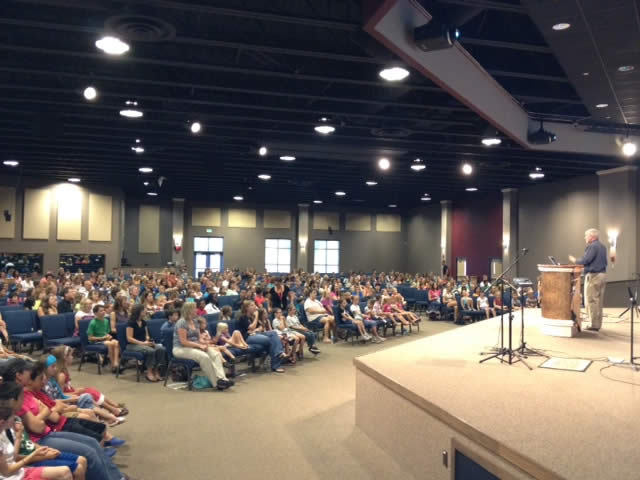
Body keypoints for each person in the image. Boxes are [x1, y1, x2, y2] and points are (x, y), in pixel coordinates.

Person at [0, 378, 127, 480]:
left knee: (92, 443)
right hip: (39, 442)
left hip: (44, 437)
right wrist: (38, 454)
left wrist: (39, 448)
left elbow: (49, 415)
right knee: (87, 453)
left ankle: (116, 476)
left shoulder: (16, 414)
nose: (44, 380)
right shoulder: (12, 417)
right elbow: (40, 425)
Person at [0, 405, 80, 480]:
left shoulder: (3, 433)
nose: (14, 419)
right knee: (68, 471)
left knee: (65, 471)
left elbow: (13, 457)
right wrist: (35, 455)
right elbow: (7, 472)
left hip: (19, 471)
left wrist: (18, 437)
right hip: (13, 476)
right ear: (3, 422)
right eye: (12, 417)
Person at [51, 347, 128, 419]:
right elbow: (60, 395)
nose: (72, 357)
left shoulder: (64, 371)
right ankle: (112, 410)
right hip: (69, 397)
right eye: (71, 355)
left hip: (71, 392)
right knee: (90, 394)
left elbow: (66, 388)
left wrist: (76, 390)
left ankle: (113, 407)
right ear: (65, 358)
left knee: (90, 390)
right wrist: (76, 392)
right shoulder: (61, 375)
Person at [172, 302, 233, 390]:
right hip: (180, 349)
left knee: (215, 354)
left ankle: (223, 379)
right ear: (189, 310)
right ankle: (216, 383)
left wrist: (205, 344)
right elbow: (183, 341)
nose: (196, 310)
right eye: (194, 308)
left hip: (194, 346)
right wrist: (199, 346)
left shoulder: (195, 322)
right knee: (204, 357)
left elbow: (198, 338)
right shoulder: (181, 323)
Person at [569, 228, 608, 331]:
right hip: (602, 275)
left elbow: (586, 260)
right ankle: (597, 324)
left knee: (591, 301)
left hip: (594, 276)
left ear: (592, 236)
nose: (585, 237)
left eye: (586, 235)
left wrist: (575, 260)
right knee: (598, 301)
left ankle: (593, 325)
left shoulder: (592, 246)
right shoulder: (602, 247)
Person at [236, 301, 286, 373]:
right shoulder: (242, 317)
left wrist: (254, 330)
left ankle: (278, 353)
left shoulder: (251, 317)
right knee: (269, 340)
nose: (255, 307)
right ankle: (276, 363)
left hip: (254, 334)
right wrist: (256, 317)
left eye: (254, 305)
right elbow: (251, 327)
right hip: (246, 338)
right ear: (247, 308)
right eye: (252, 305)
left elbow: (257, 328)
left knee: (273, 333)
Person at [125, 304, 165, 382]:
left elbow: (146, 335)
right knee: (151, 350)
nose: (146, 311)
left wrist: (148, 340)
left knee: (161, 349)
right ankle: (149, 372)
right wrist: (143, 343)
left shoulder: (143, 322)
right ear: (139, 312)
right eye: (144, 310)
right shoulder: (131, 323)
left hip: (143, 343)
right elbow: (129, 338)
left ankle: (155, 370)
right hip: (132, 345)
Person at [86, 306, 120, 374]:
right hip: (96, 341)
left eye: (104, 310)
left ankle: (116, 362)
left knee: (116, 342)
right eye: (101, 311)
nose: (103, 312)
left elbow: (107, 332)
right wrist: (102, 338)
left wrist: (108, 336)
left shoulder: (106, 321)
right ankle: (113, 364)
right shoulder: (93, 323)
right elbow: (90, 338)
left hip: (105, 339)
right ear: (95, 313)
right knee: (110, 344)